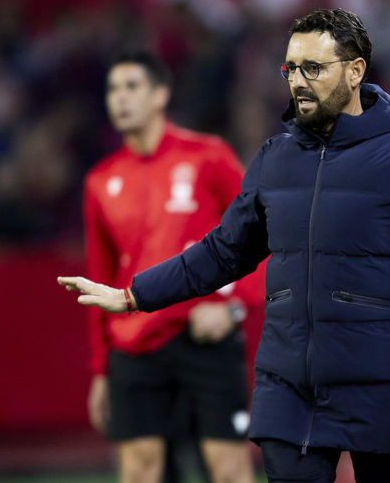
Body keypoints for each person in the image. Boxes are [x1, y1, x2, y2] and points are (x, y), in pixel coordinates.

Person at [60, 10, 390, 482]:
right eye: (291, 68)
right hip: (288, 388)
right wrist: (133, 296)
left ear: (355, 72)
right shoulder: (274, 159)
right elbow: (222, 252)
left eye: (314, 68)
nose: (298, 82)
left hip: (381, 385)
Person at [80, 50, 258, 483]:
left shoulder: (208, 156)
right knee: (140, 470)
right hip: (135, 345)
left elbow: (260, 237)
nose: (119, 98)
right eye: (112, 89)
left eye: (131, 87)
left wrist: (234, 309)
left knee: (229, 467)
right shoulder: (101, 181)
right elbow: (99, 281)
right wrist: (100, 370)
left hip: (205, 336)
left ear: (161, 94)